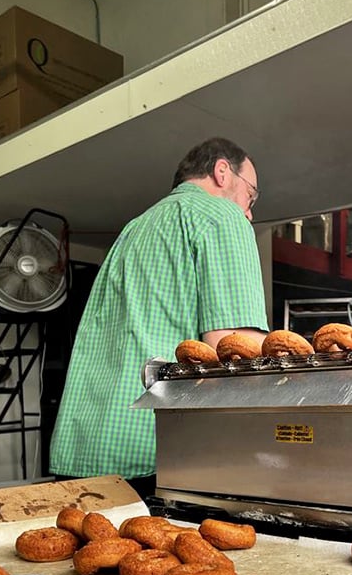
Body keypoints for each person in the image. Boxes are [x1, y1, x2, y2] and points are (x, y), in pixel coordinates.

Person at [49, 137, 269, 497]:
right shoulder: (222, 216)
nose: (249, 212)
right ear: (222, 172)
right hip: (155, 453)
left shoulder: (133, 228)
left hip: (82, 447)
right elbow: (233, 348)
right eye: (251, 195)